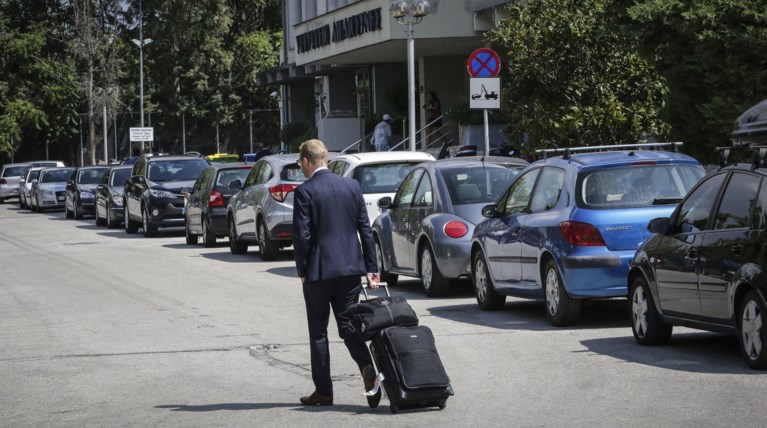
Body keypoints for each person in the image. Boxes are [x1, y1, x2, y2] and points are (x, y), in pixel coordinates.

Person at [292, 139, 382, 408]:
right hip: (350, 270)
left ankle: (324, 391)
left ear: (307, 161)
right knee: (348, 326)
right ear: (327, 160)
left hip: (319, 272)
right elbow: (365, 230)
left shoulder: (305, 191)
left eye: (301, 163)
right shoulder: (351, 186)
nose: (301, 168)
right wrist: (372, 268)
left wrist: (303, 269)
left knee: (319, 332)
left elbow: (302, 236)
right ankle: (367, 368)